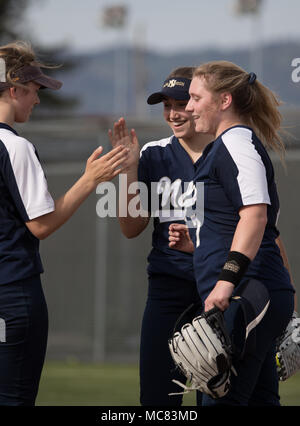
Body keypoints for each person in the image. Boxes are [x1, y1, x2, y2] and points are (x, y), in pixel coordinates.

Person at [0, 41, 128, 406]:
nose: (37, 100)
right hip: (11, 292)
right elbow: (41, 225)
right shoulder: (13, 146)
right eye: (35, 90)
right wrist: (90, 179)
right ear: (14, 89)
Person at [169, 61, 296, 406]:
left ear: (224, 101)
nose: (189, 106)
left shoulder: (236, 144)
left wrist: (225, 281)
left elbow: (255, 217)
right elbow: (241, 225)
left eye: (196, 97)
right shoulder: (222, 147)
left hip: (247, 294)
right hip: (249, 291)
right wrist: (199, 247)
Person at [109, 67, 212, 406]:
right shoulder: (155, 154)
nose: (173, 113)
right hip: (168, 291)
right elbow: (130, 227)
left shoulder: (229, 151)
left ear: (200, 102)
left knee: (218, 396)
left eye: (181, 102)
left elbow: (262, 228)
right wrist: (129, 168)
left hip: (219, 288)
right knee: (157, 399)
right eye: (166, 104)